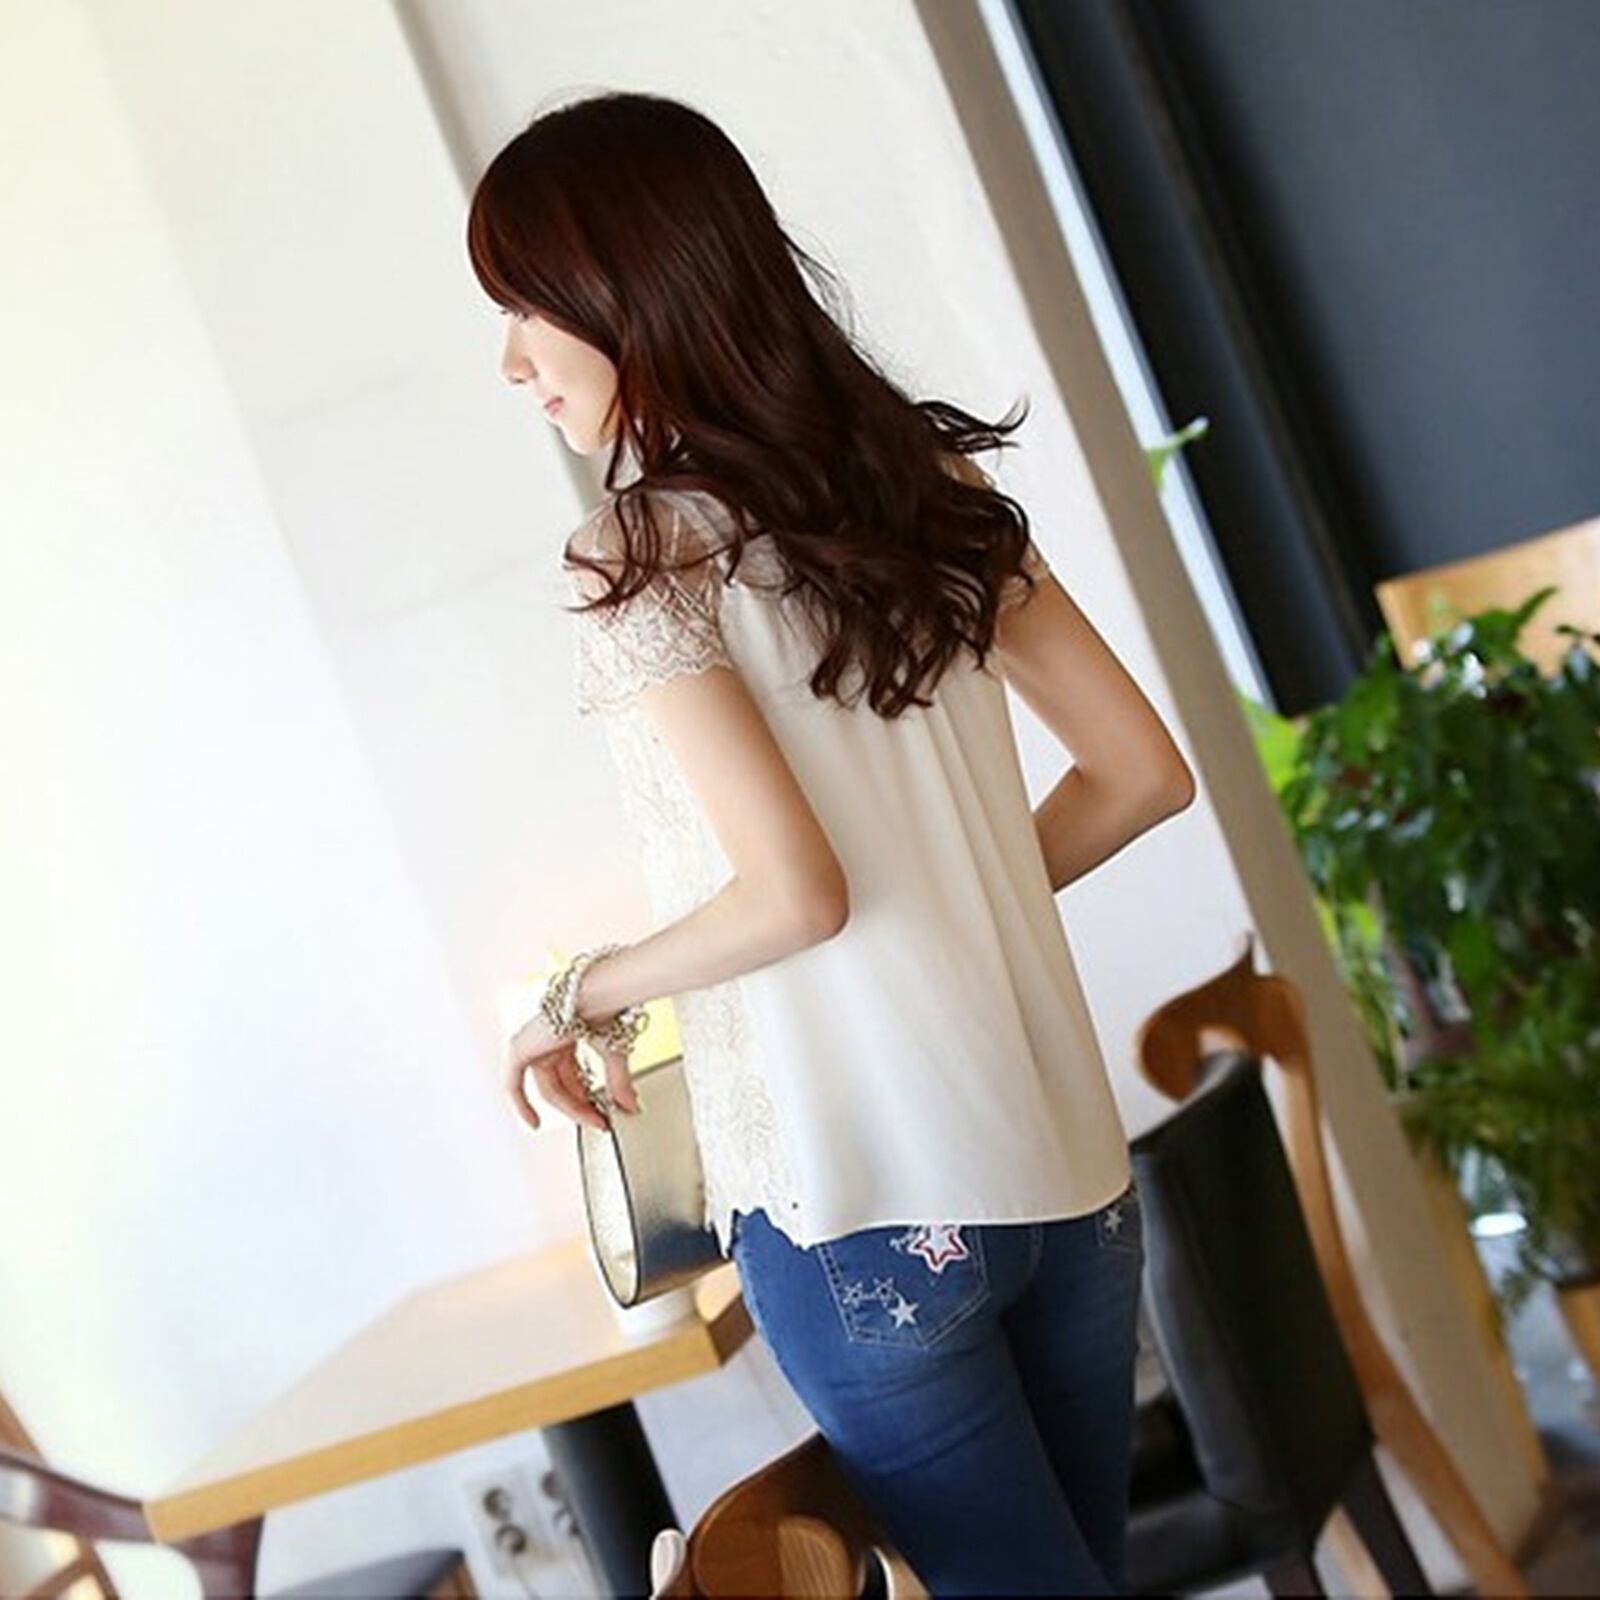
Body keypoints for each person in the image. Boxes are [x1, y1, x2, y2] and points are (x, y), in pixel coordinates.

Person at [475, 89, 1195, 1597]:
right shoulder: (927, 493)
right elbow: (1139, 776)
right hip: (1064, 1175)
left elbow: (796, 897)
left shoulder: (636, 555)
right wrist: (961, 893)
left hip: (856, 1197)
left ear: (629, 289)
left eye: (527, 309)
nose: (514, 362)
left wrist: (578, 994)